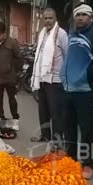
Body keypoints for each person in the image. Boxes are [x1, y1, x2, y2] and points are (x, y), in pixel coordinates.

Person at [60, 3, 93, 180]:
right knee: (69, 128)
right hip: (68, 89)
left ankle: (87, 164)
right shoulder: (72, 33)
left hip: (84, 90)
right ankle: (71, 160)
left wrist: (88, 73)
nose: (80, 18)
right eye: (77, 15)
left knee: (86, 130)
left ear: (91, 18)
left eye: (84, 15)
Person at [30, 8, 68, 143]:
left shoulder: (61, 34)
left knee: (56, 113)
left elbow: (67, 55)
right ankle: (45, 136)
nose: (47, 21)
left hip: (55, 80)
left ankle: (57, 141)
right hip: (42, 78)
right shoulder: (43, 34)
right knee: (43, 111)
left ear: (55, 18)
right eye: (45, 18)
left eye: (50, 18)